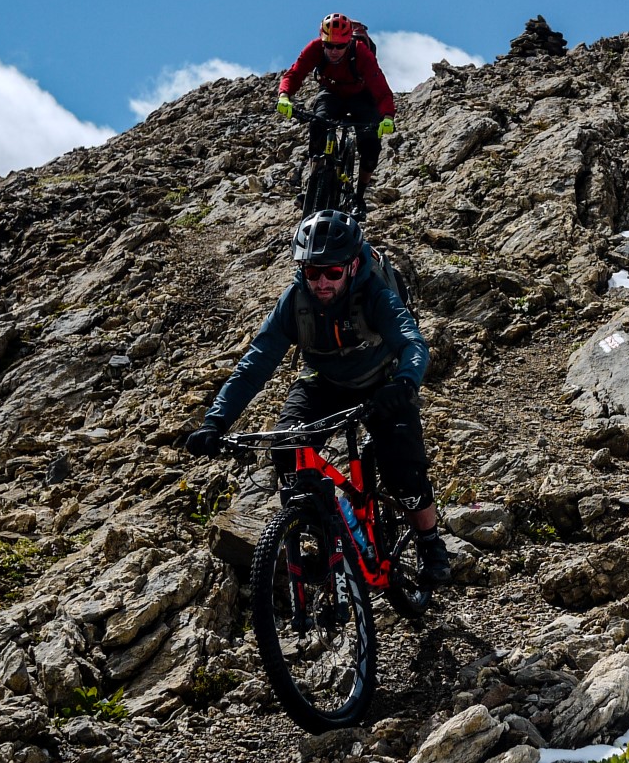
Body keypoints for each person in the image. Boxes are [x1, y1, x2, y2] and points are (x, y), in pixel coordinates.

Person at [185, 209, 450, 585]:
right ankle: (320, 528)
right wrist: (216, 421)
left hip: (384, 383)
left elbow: (411, 343)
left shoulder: (374, 294)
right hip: (321, 381)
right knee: (287, 450)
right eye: (312, 272)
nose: (322, 282)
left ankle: (429, 541)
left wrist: (405, 382)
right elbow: (256, 363)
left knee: (404, 474)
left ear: (353, 265)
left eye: (332, 272)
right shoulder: (295, 302)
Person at [276, 13, 397, 211]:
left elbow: (382, 91)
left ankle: (358, 197)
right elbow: (294, 74)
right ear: (322, 41)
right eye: (329, 45)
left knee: (370, 148)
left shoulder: (362, 54)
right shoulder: (314, 48)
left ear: (349, 42)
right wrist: (284, 95)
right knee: (318, 126)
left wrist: (387, 117)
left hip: (362, 95)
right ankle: (314, 183)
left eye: (340, 46)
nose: (334, 51)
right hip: (330, 91)